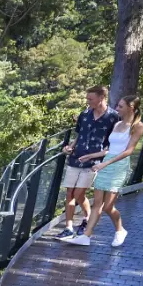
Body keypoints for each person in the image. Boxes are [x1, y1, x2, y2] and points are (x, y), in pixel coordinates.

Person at [62, 95, 142, 248]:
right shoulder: (118, 123)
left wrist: (106, 164)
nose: (117, 109)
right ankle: (86, 236)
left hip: (118, 166)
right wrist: (91, 156)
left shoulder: (137, 126)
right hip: (106, 163)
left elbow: (128, 151)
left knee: (107, 207)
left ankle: (120, 230)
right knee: (97, 204)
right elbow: (109, 149)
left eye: (120, 106)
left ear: (131, 108)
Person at [51, 85, 118, 236]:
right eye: (87, 98)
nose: (88, 102)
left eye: (90, 99)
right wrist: (69, 147)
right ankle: (68, 228)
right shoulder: (85, 114)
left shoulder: (113, 117)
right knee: (70, 193)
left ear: (101, 98)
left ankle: (87, 218)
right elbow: (79, 135)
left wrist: (97, 156)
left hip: (94, 162)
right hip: (76, 158)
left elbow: (114, 144)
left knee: (78, 194)